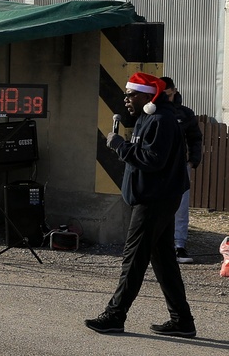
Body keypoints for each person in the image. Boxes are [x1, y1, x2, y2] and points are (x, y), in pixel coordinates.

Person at [85, 72, 195, 337]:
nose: (126, 99)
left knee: (133, 259)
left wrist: (121, 147)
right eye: (126, 94)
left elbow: (153, 160)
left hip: (155, 200)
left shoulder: (161, 120)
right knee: (164, 261)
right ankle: (182, 320)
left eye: (131, 94)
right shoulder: (149, 118)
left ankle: (114, 315)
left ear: (148, 96)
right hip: (156, 197)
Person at [161, 76, 204, 264]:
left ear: (174, 91)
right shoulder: (152, 112)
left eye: (167, 95)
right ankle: (161, 244)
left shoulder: (185, 113)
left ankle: (179, 245)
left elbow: (195, 137)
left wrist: (193, 160)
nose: (165, 98)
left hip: (180, 166)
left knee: (181, 206)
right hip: (159, 166)